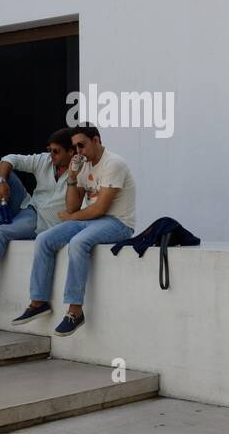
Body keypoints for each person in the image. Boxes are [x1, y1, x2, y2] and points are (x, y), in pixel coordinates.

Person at [12, 125, 136, 336]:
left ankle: (75, 311)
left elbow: (100, 208)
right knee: (44, 239)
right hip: (92, 220)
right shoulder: (82, 166)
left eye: (82, 145)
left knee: (78, 242)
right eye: (75, 147)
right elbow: (72, 206)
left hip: (118, 223)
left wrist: (72, 218)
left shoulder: (113, 164)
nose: (78, 151)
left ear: (96, 141)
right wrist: (72, 176)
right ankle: (38, 301)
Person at [0, 127, 75, 301]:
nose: (51, 155)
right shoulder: (44, 160)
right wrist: (2, 181)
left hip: (44, 222)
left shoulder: (79, 170)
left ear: (70, 151)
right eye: (50, 150)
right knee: (2, 174)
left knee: (0, 233)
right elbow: (8, 159)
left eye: (56, 151)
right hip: (29, 208)